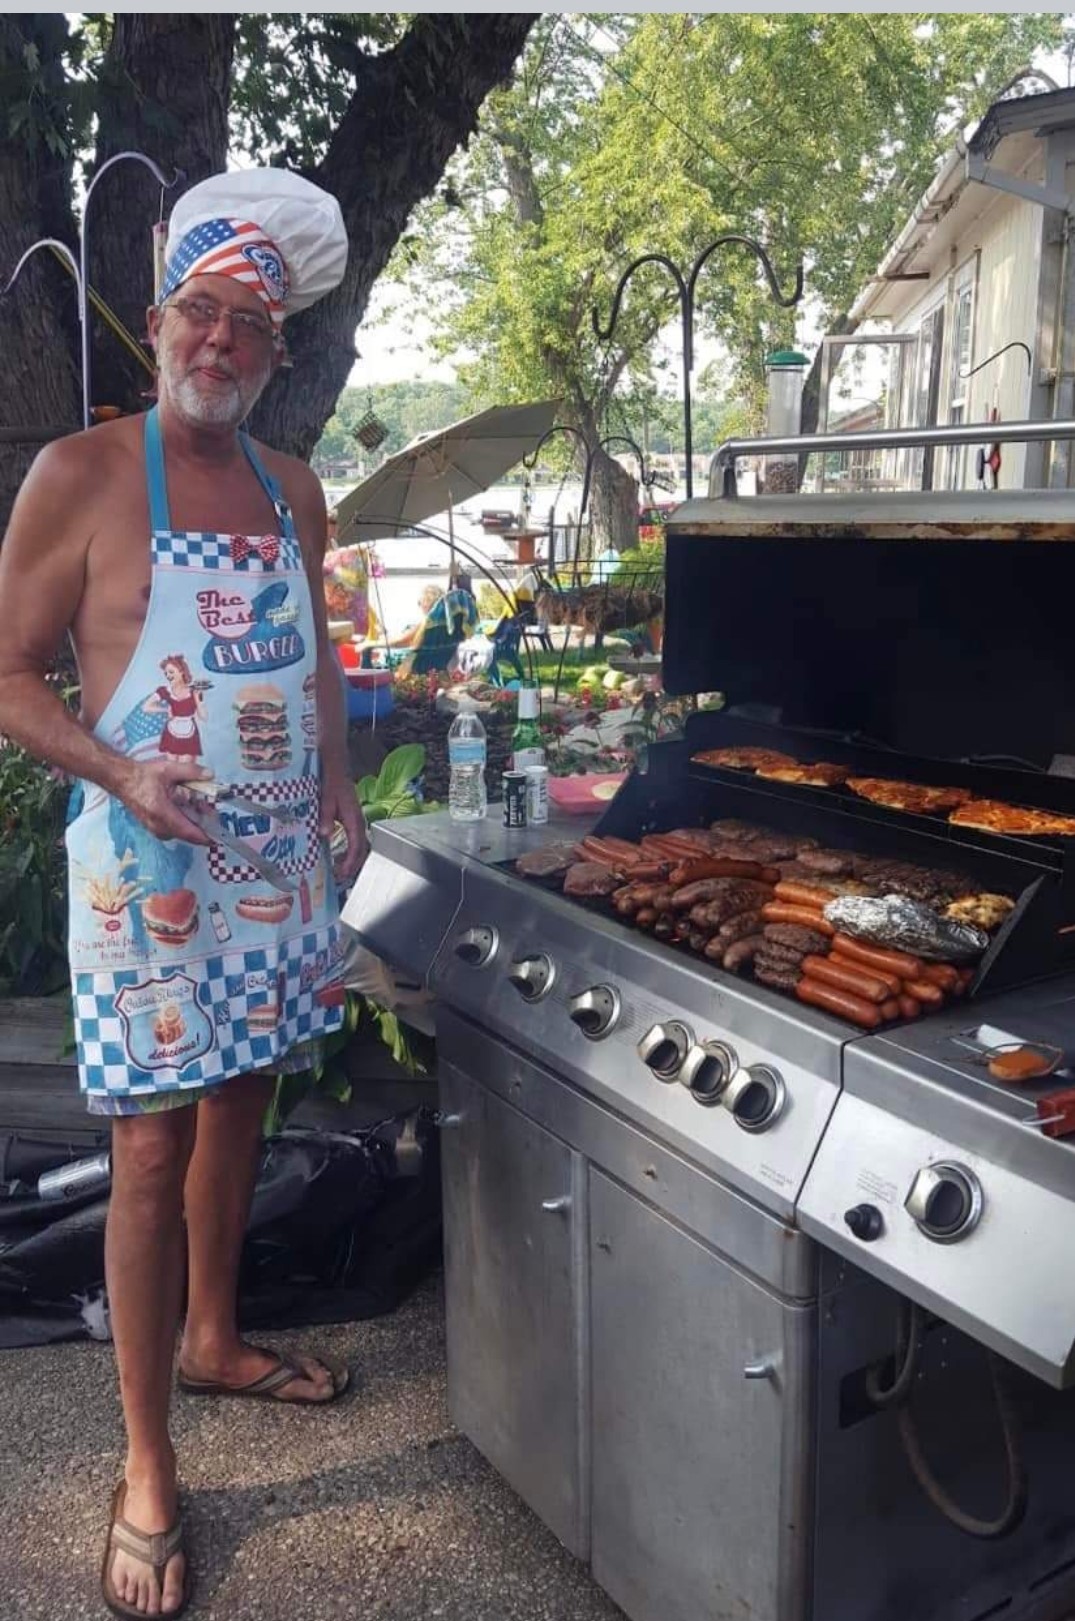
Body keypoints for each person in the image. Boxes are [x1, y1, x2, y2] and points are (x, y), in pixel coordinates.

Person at [0, 167, 366, 1620]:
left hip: (271, 862)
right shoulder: (82, 475)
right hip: (142, 869)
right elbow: (7, 677)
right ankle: (148, 1465)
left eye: (249, 325)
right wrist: (118, 769)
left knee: (245, 1095)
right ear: (157, 322)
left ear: (278, 351)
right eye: (199, 312)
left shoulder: (293, 490)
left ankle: (216, 1335)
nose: (220, 341)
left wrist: (338, 786)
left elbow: (312, 653)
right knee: (148, 1152)